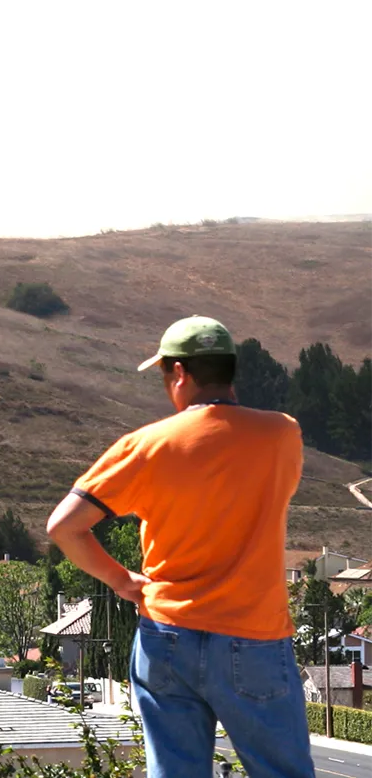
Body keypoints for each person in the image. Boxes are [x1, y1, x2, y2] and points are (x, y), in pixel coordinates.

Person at [47, 316, 313, 778]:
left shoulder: (146, 446)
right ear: (229, 369)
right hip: (255, 638)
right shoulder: (282, 434)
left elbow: (64, 527)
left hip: (166, 635)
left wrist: (121, 580)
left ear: (180, 374)